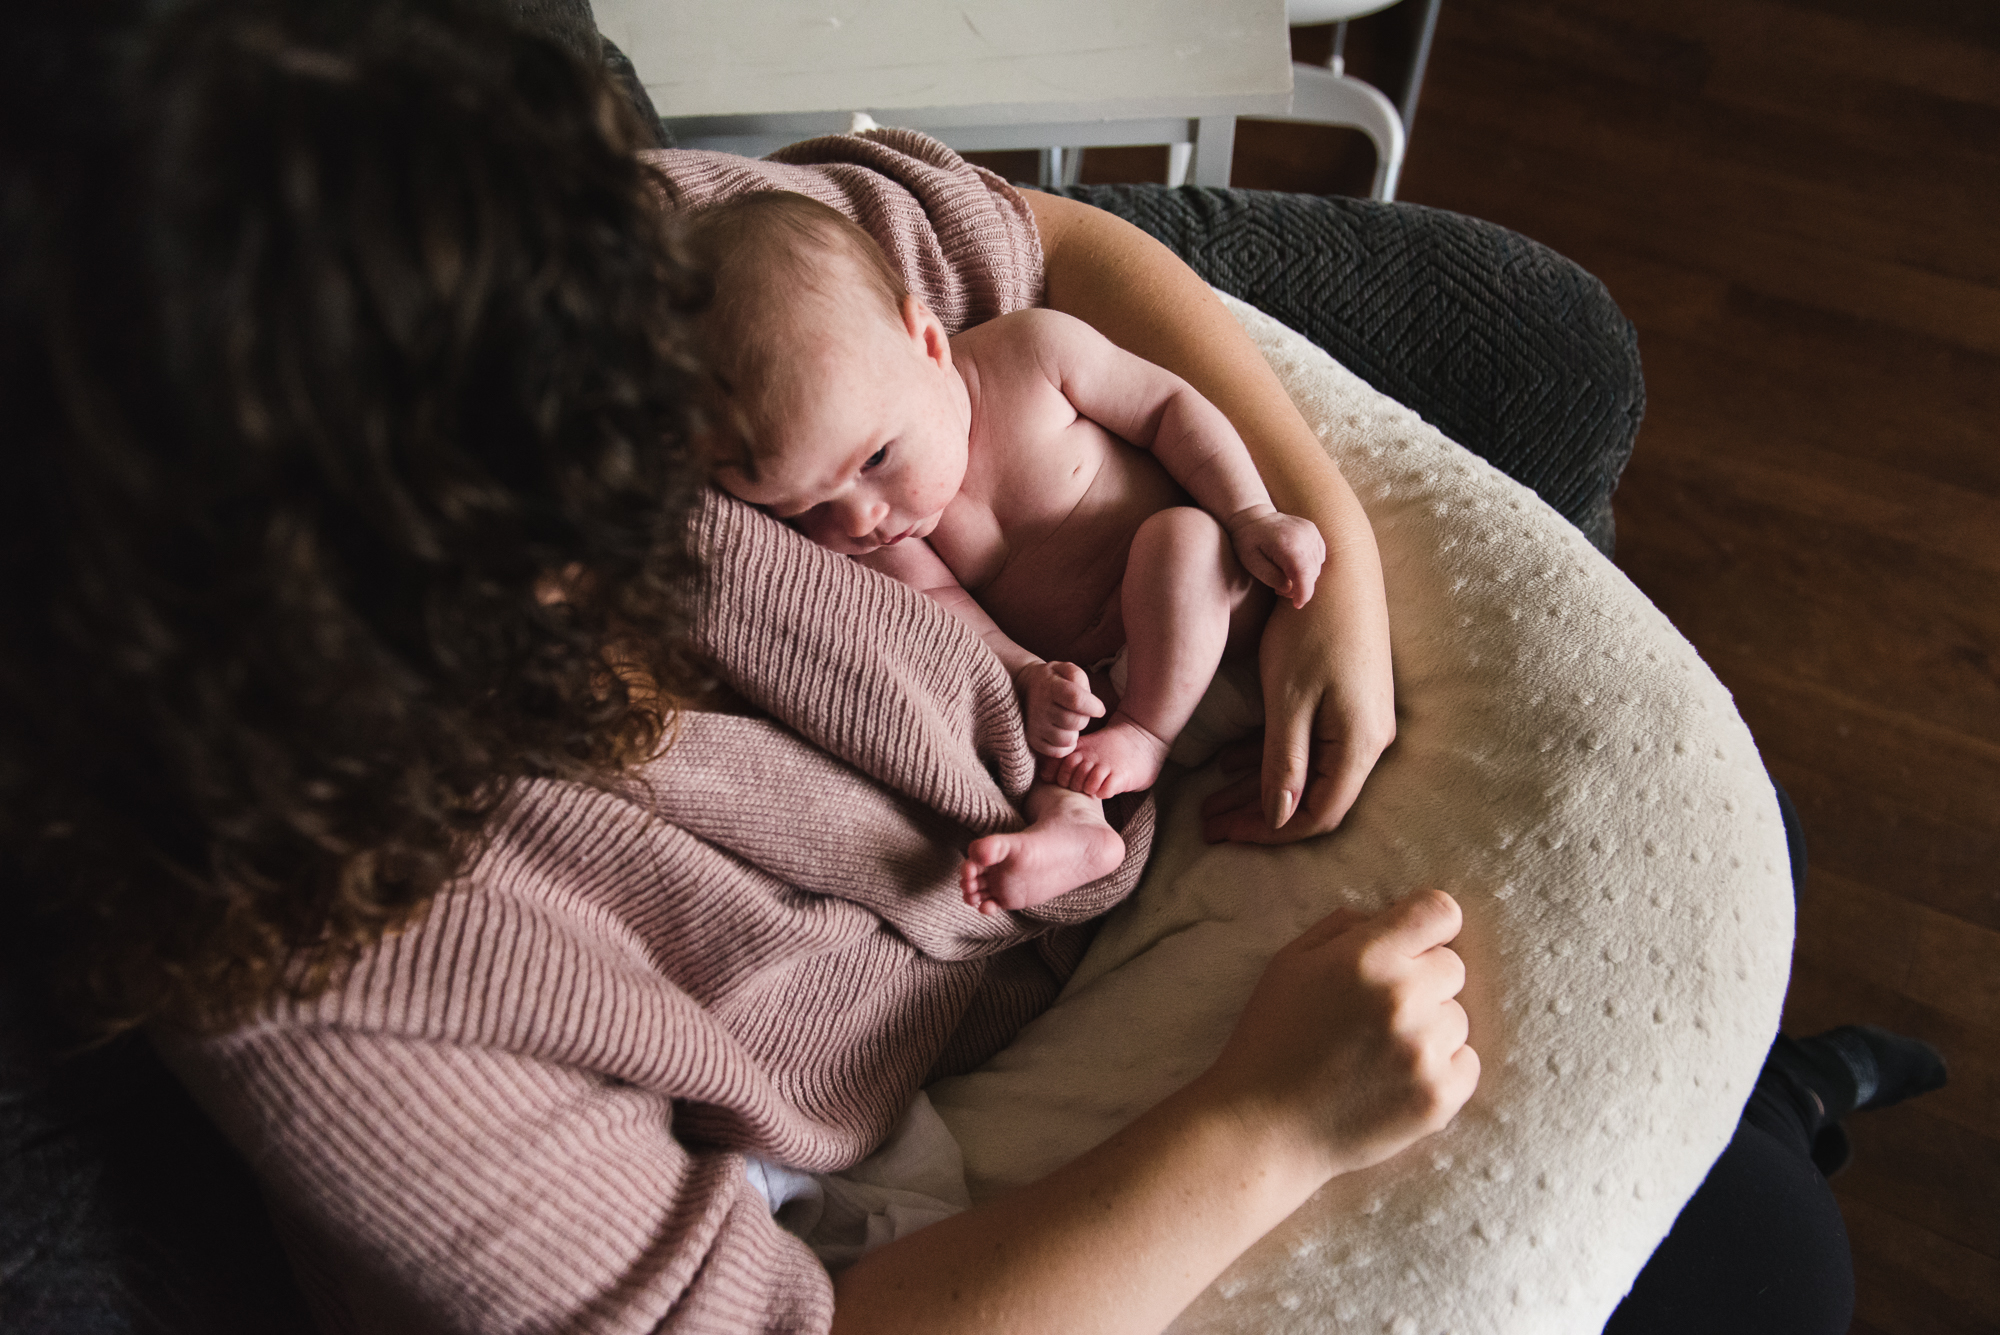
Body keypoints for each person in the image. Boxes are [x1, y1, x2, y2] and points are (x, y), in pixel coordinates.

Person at [0, 2, 1941, 1332]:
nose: (651, 424)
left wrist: (1311, 540)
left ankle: (1771, 1093)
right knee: (1766, 1258)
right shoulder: (332, 988)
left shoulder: (567, 280)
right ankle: (1782, 1114)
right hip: (962, 1117)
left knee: (1704, 867)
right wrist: (1258, 1122)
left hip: (1099, 799)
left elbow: (1033, 244)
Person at [688, 192, 1326, 911]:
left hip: (1217, 623)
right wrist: (1030, 677)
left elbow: (1167, 408)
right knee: (1043, 744)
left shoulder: (1033, 355)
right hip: (1102, 700)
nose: (862, 516)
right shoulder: (885, 545)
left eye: (875, 457)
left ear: (926, 341)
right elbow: (953, 616)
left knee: (1180, 540)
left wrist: (1250, 512)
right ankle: (1078, 834)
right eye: (805, 506)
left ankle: (1152, 731)